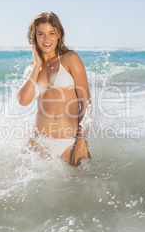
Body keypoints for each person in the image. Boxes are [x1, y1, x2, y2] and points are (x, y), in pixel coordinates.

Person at [17, 12, 91, 166]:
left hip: (68, 143)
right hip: (37, 144)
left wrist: (81, 141)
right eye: (41, 34)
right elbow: (23, 100)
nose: (46, 39)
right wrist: (37, 64)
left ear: (59, 34)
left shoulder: (70, 59)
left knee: (80, 189)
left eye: (51, 33)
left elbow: (87, 103)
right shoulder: (31, 69)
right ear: (34, 37)